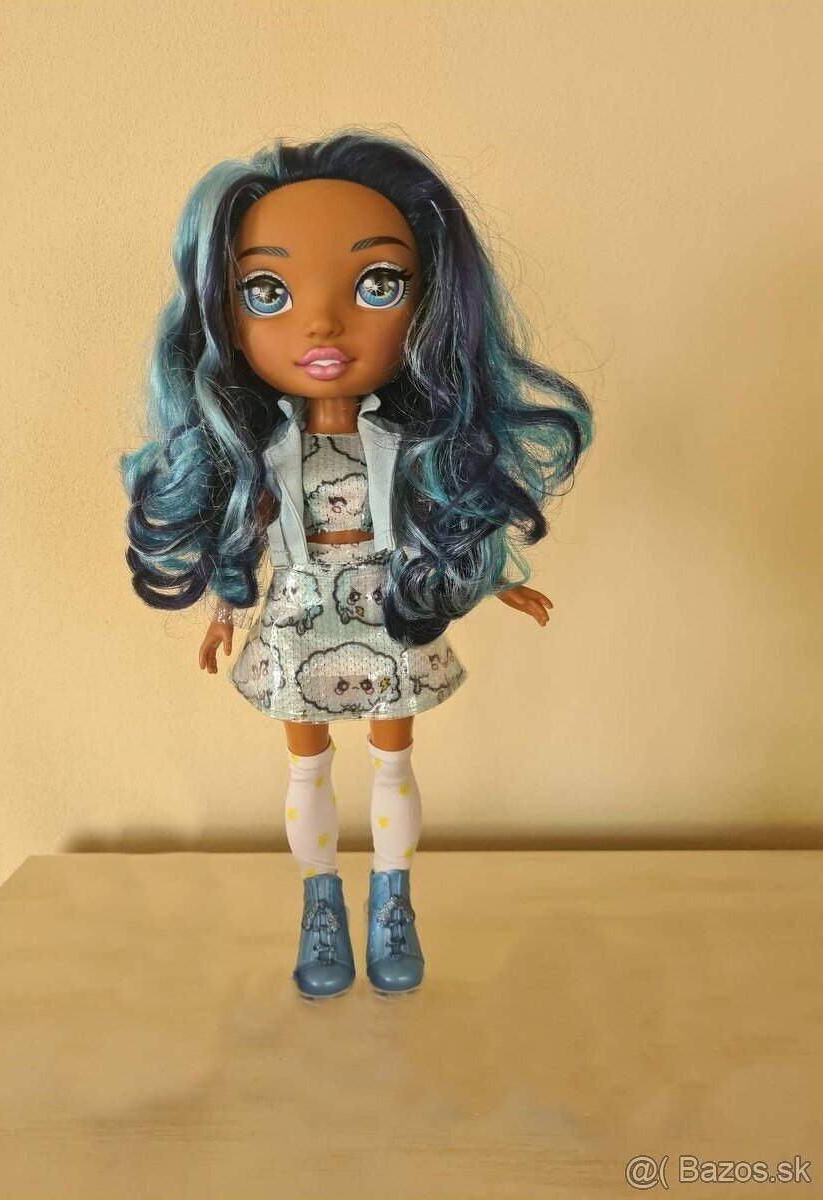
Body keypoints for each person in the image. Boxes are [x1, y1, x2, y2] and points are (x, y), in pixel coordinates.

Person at [121, 129, 594, 1002]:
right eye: (267, 292)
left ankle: (392, 900)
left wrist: (497, 577)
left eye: (378, 284)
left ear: (433, 303)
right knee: (307, 768)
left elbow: (438, 516)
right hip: (298, 614)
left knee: (392, 762)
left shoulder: (404, 442)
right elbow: (242, 533)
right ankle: (320, 904)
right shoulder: (259, 451)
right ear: (223, 316)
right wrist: (224, 610)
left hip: (390, 609)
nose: (322, 323)